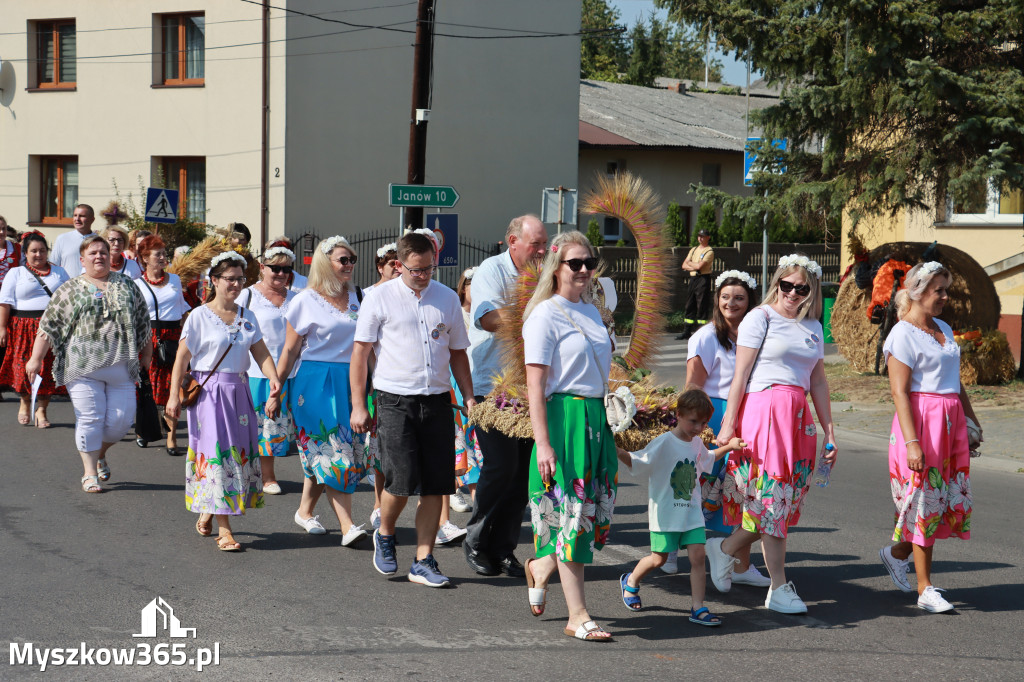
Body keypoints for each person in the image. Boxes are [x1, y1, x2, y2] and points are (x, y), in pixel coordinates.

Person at [708, 254, 837, 614]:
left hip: (798, 418)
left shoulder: (812, 325)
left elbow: (818, 381)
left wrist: (829, 430)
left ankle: (725, 549)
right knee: (773, 499)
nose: (793, 293)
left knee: (782, 501)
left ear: (811, 291)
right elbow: (741, 375)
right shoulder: (759, 317)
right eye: (787, 285)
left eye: (802, 287)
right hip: (765, 412)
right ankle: (778, 587)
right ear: (777, 282)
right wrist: (728, 424)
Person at [350, 232, 475, 588]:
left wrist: (468, 397)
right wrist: (360, 404)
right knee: (401, 482)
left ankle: (423, 559)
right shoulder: (379, 298)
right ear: (398, 264)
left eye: (429, 269)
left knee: (437, 486)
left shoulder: (447, 297)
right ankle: (385, 534)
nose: (424, 275)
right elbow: (360, 353)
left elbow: (457, 353)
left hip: (436, 400)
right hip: (394, 400)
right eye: (416, 270)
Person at [521, 230, 617, 641]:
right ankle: (577, 614)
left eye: (588, 263)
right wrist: (543, 443)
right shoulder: (545, 314)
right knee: (573, 515)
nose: (582, 270)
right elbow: (535, 387)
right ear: (555, 268)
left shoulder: (594, 312)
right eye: (574, 263)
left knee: (591, 512)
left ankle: (541, 566)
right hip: (566, 420)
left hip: (595, 418)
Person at [878, 262, 978, 613]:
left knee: (941, 499)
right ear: (919, 292)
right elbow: (899, 392)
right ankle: (925, 589)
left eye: (946, 290)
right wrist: (912, 442)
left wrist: (970, 421)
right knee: (925, 502)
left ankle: (896, 553)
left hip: (950, 423)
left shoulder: (945, 328)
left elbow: (955, 380)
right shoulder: (902, 334)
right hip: (921, 424)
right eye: (940, 291)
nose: (945, 297)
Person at [165, 251, 282, 551]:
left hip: (239, 391)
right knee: (219, 454)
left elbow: (260, 352)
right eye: (229, 279)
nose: (236, 284)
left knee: (236, 455)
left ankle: (209, 510)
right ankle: (225, 530)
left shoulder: (248, 316)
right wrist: (171, 397)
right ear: (214, 281)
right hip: (209, 395)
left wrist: (273, 378)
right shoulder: (199, 316)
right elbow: (182, 358)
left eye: (240, 279)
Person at [662, 270, 770, 588]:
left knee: (738, 489)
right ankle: (668, 551)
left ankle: (740, 565)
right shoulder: (706, 336)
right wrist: (692, 427)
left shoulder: (758, 335)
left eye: (739, 298)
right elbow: (693, 386)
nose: (731, 303)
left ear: (750, 301)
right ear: (716, 300)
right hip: (713, 414)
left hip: (748, 414)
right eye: (725, 297)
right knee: (694, 486)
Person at [27, 235, 152, 493]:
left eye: (103, 252)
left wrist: (147, 355)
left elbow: (143, 323)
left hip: (122, 366)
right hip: (81, 366)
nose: (99, 256)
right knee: (90, 418)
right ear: (82, 260)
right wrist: (35, 358)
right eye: (93, 253)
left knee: (120, 424)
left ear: (111, 256)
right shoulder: (70, 288)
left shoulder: (128, 285)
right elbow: (49, 325)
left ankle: (100, 453)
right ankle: (89, 472)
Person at [464, 214, 549, 578]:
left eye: (545, 244)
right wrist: (536, 317)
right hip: (493, 386)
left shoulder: (547, 272)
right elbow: (488, 318)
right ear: (512, 241)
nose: (543, 251)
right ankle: (477, 541)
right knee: (501, 467)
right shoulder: (491, 271)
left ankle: (503, 548)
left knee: (524, 475)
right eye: (536, 244)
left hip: (531, 387)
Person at [617, 390, 746, 625]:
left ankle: (698, 607)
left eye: (703, 423)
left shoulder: (697, 443)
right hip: (666, 512)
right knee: (659, 559)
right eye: (693, 421)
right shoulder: (664, 442)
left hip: (691, 512)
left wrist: (729, 447)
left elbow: (708, 458)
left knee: (698, 556)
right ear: (679, 415)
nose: (698, 428)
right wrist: (617, 452)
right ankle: (631, 581)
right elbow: (640, 461)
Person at [277, 236, 369, 546]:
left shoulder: (360, 296)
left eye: (352, 259)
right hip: (316, 384)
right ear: (324, 263)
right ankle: (347, 526)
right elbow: (290, 350)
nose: (350, 265)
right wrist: (277, 388)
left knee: (332, 453)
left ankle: (304, 511)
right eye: (343, 259)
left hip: (353, 381)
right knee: (333, 452)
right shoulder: (306, 300)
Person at [243, 245, 298, 495]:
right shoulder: (248, 296)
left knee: (278, 426)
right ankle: (264, 476)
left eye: (286, 269)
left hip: (291, 372)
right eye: (275, 268)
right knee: (258, 426)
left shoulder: (297, 298)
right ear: (262, 268)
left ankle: (266, 475)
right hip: (257, 372)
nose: (280, 273)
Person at [0, 232, 69, 426]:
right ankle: (24, 403)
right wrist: (2, 327)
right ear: (26, 253)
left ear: (47, 252)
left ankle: (42, 410)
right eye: (33, 251)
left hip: (52, 327)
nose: (38, 255)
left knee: (47, 369)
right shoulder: (16, 273)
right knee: (22, 368)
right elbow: (5, 302)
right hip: (22, 327)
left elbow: (69, 300)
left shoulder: (60, 273)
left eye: (42, 250)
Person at [134, 235, 190, 455]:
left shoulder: (175, 280)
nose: (162, 257)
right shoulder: (136, 284)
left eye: (164, 253)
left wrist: (190, 335)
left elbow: (182, 307)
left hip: (172, 336)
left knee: (171, 387)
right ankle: (144, 430)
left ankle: (171, 437)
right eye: (157, 254)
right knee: (146, 386)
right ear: (145, 258)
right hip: (147, 337)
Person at [451, 267, 481, 514]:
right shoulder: (456, 314)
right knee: (458, 434)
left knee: (474, 437)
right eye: (474, 286)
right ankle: (454, 489)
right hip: (456, 379)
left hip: (480, 378)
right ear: (463, 288)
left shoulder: (484, 316)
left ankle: (475, 490)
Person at [677, 228, 715, 340]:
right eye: (699, 236)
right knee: (690, 305)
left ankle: (700, 332)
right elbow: (684, 265)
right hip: (693, 278)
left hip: (703, 279)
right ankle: (687, 331)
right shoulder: (693, 249)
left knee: (702, 305)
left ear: (708, 237)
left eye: (703, 236)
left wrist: (690, 264)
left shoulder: (709, 251)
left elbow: (699, 267)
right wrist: (693, 265)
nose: (700, 238)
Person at [49, 204, 97, 278]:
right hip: (68, 286)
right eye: (75, 215)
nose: (77, 219)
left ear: (92, 219)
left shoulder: (98, 240)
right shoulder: (62, 239)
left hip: (92, 286)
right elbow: (53, 265)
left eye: (82, 216)